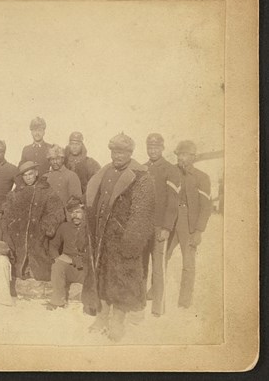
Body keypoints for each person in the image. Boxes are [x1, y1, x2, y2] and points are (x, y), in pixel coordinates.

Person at [82, 133, 155, 342]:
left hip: (124, 240)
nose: (117, 155)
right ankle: (102, 317)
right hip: (102, 238)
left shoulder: (141, 177)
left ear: (130, 153)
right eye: (114, 151)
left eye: (122, 151)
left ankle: (117, 321)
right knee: (102, 277)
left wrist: (131, 242)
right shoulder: (104, 173)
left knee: (122, 281)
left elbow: (142, 214)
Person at [3, 161, 65, 288]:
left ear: (36, 173)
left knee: (40, 260)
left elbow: (56, 212)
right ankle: (21, 272)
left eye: (30, 174)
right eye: (25, 175)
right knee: (18, 258)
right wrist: (13, 224)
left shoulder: (47, 191)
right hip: (19, 233)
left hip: (39, 234)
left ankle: (35, 273)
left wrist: (45, 227)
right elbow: (8, 211)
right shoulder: (16, 193)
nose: (28, 178)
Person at [166, 140, 212, 309]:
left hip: (189, 222)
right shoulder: (170, 172)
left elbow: (206, 206)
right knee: (163, 256)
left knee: (188, 263)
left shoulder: (202, 177)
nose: (181, 158)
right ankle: (157, 293)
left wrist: (199, 230)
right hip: (170, 221)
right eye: (179, 155)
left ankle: (184, 301)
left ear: (193, 157)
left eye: (185, 155)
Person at [143, 133, 181, 317]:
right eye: (150, 147)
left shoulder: (170, 170)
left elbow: (173, 203)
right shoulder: (142, 168)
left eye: (156, 147)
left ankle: (158, 308)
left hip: (160, 227)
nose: (153, 151)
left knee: (158, 268)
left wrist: (167, 227)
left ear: (162, 148)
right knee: (141, 265)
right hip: (143, 228)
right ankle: (139, 301)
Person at [46, 198, 88, 310]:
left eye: (78, 212)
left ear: (85, 212)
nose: (75, 215)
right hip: (68, 268)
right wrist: (57, 257)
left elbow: (94, 255)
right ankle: (57, 301)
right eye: (72, 213)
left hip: (85, 269)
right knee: (57, 266)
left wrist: (75, 261)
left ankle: (89, 303)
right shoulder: (64, 227)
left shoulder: (90, 228)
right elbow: (53, 245)